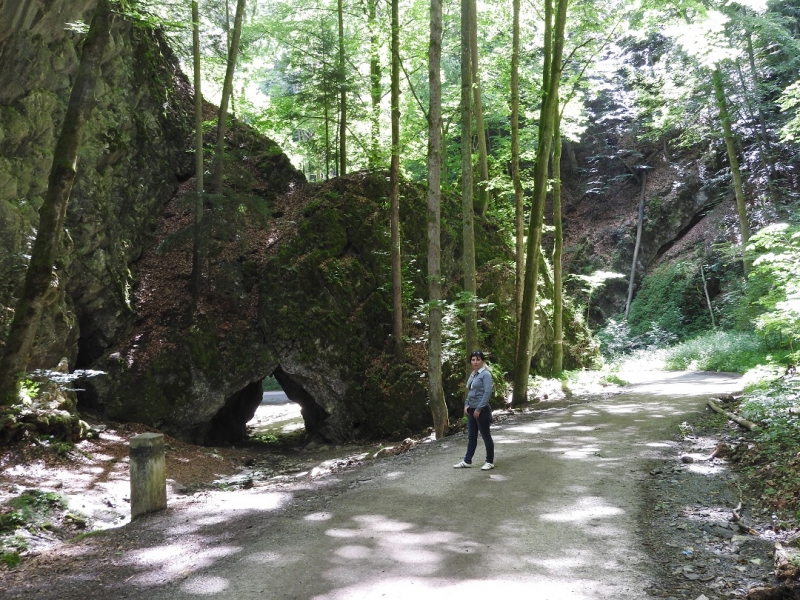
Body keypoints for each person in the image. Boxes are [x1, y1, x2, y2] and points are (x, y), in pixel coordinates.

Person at [453, 350, 495, 470]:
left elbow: (487, 393)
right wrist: (466, 405)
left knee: (486, 436)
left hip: (482, 410)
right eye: (473, 359)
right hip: (471, 410)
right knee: (472, 436)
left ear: (482, 361)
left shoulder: (485, 375)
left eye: (478, 359)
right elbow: (471, 392)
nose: (475, 362)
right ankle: (467, 460)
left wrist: (479, 408)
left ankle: (489, 461)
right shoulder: (473, 374)